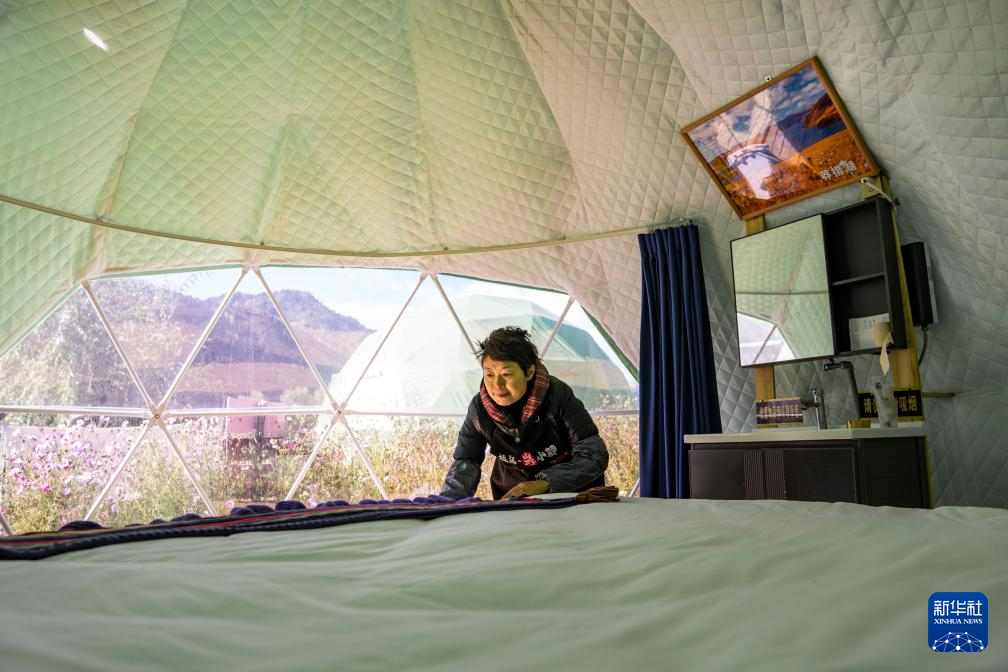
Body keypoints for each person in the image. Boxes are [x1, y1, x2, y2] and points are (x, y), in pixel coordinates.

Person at [440, 326, 609, 500]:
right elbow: (466, 461)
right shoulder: (479, 408)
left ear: (529, 372)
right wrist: (446, 503)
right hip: (513, 499)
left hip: (573, 497)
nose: (497, 385)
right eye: (489, 375)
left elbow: (593, 455)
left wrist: (545, 483)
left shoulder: (558, 396)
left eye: (506, 374)